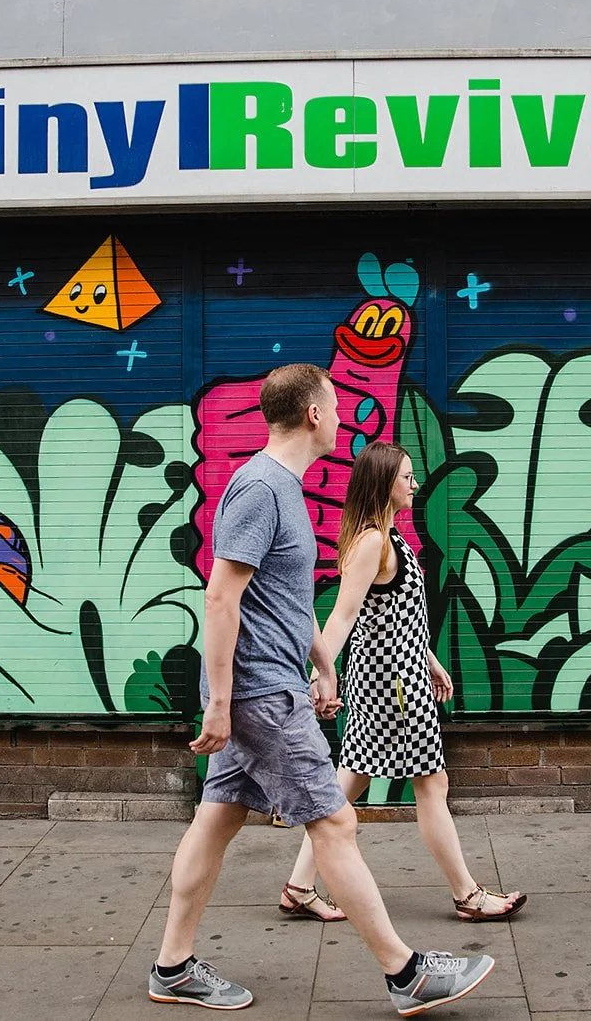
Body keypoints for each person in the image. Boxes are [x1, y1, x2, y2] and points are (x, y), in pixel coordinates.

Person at [150, 364, 495, 1016]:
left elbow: (280, 595)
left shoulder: (281, 487)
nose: (340, 418)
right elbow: (221, 597)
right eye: (334, 407)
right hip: (260, 692)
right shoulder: (262, 488)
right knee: (335, 821)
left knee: (217, 818)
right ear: (313, 414)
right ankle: (406, 972)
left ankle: (173, 965)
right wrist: (219, 702)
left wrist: (321, 661)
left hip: (266, 683)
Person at [279, 442, 526, 924]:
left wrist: (428, 658)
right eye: (406, 477)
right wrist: (322, 674)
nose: (415, 485)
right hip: (393, 686)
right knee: (432, 784)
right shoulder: (373, 543)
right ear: (383, 484)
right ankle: (467, 895)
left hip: (396, 676)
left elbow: (394, 614)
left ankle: (299, 886)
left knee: (351, 779)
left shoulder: (389, 537)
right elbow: (344, 615)